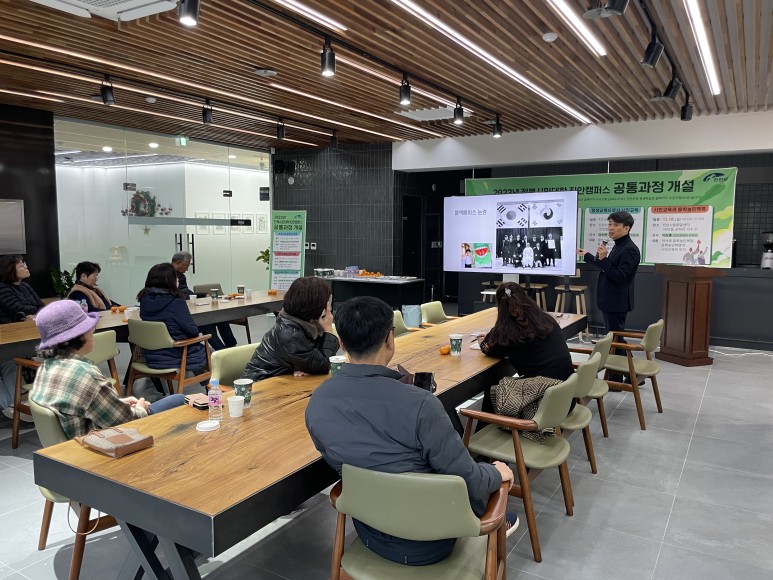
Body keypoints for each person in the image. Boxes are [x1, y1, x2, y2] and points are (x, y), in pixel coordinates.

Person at [306, 296, 516, 566]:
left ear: (342, 344)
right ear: (390, 340)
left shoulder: (318, 402)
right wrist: (496, 472)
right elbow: (469, 481)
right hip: (432, 543)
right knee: (496, 482)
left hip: (369, 532)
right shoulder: (421, 404)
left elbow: (339, 464)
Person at [30, 301, 184, 439]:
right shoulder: (86, 374)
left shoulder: (46, 367)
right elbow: (128, 422)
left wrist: (118, 403)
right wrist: (141, 409)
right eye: (89, 327)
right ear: (79, 335)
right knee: (179, 400)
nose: (93, 331)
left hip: (72, 446)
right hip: (100, 447)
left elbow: (78, 407)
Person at [241, 276, 339, 381]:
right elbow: (324, 365)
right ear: (316, 305)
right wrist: (328, 330)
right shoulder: (290, 333)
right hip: (260, 386)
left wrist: (304, 366)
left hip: (282, 378)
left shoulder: (301, 321)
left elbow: (316, 360)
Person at [476, 283, 574, 382]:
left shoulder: (511, 331)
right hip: (567, 385)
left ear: (501, 308)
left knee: (492, 387)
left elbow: (491, 349)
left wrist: (483, 341)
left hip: (544, 388)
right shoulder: (545, 319)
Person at [577, 211, 640, 338]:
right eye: (610, 224)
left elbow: (620, 276)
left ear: (626, 228)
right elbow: (607, 267)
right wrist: (587, 255)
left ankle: (621, 357)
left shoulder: (630, 249)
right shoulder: (619, 245)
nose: (611, 228)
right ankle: (620, 357)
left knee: (615, 338)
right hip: (610, 300)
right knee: (613, 337)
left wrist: (604, 259)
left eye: (616, 225)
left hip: (617, 302)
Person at [138, 263, 207, 374]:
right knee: (206, 351)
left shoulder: (144, 299)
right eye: (176, 277)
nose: (178, 280)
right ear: (170, 280)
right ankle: (210, 387)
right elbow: (192, 331)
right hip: (176, 354)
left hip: (152, 356)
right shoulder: (176, 301)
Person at [171, 252, 237, 351]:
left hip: (187, 309)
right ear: (179, 263)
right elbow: (179, 295)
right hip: (180, 318)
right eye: (186, 265)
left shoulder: (181, 276)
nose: (187, 269)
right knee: (206, 322)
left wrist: (201, 294)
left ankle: (231, 347)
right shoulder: (168, 276)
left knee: (220, 318)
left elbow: (185, 292)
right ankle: (222, 352)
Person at [0, 255, 44, 324]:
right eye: (21, 266)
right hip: (9, 328)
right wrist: (36, 310)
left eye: (24, 264)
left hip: (27, 324)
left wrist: (36, 315)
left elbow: (42, 307)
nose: (26, 267)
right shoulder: (2, 288)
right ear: (10, 270)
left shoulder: (25, 286)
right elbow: (19, 310)